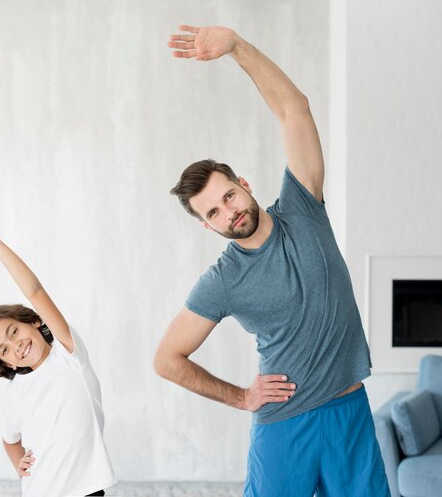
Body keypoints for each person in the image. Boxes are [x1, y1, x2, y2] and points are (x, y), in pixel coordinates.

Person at [154, 25, 390, 496]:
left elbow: (293, 109)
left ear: (243, 183)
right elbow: (167, 359)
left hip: (350, 412)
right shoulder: (221, 281)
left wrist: (238, 48)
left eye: (228, 195)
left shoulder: (302, 207)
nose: (230, 211)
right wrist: (241, 397)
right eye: (214, 212)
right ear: (208, 226)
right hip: (285, 426)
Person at [0, 220, 116, 497]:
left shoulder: (68, 355)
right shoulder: (14, 395)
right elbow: (10, 440)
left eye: (14, 331)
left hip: (85, 491)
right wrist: (17, 462)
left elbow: (35, 291)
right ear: (7, 364)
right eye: (4, 350)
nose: (16, 345)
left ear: (33, 321)